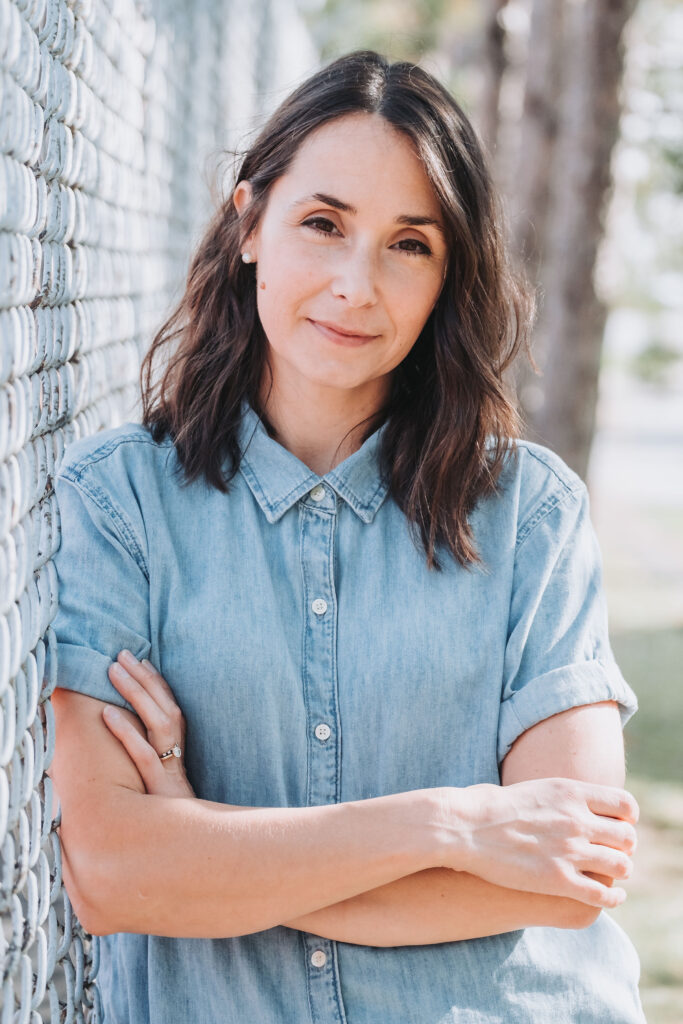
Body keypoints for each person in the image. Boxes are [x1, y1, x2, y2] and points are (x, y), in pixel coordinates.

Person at [47, 50, 645, 1024]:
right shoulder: (121, 503)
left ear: (447, 275)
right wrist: (452, 823)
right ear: (249, 224)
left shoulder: (529, 514)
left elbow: (568, 876)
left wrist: (205, 850)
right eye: (322, 224)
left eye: (408, 244)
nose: (355, 284)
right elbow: (114, 871)